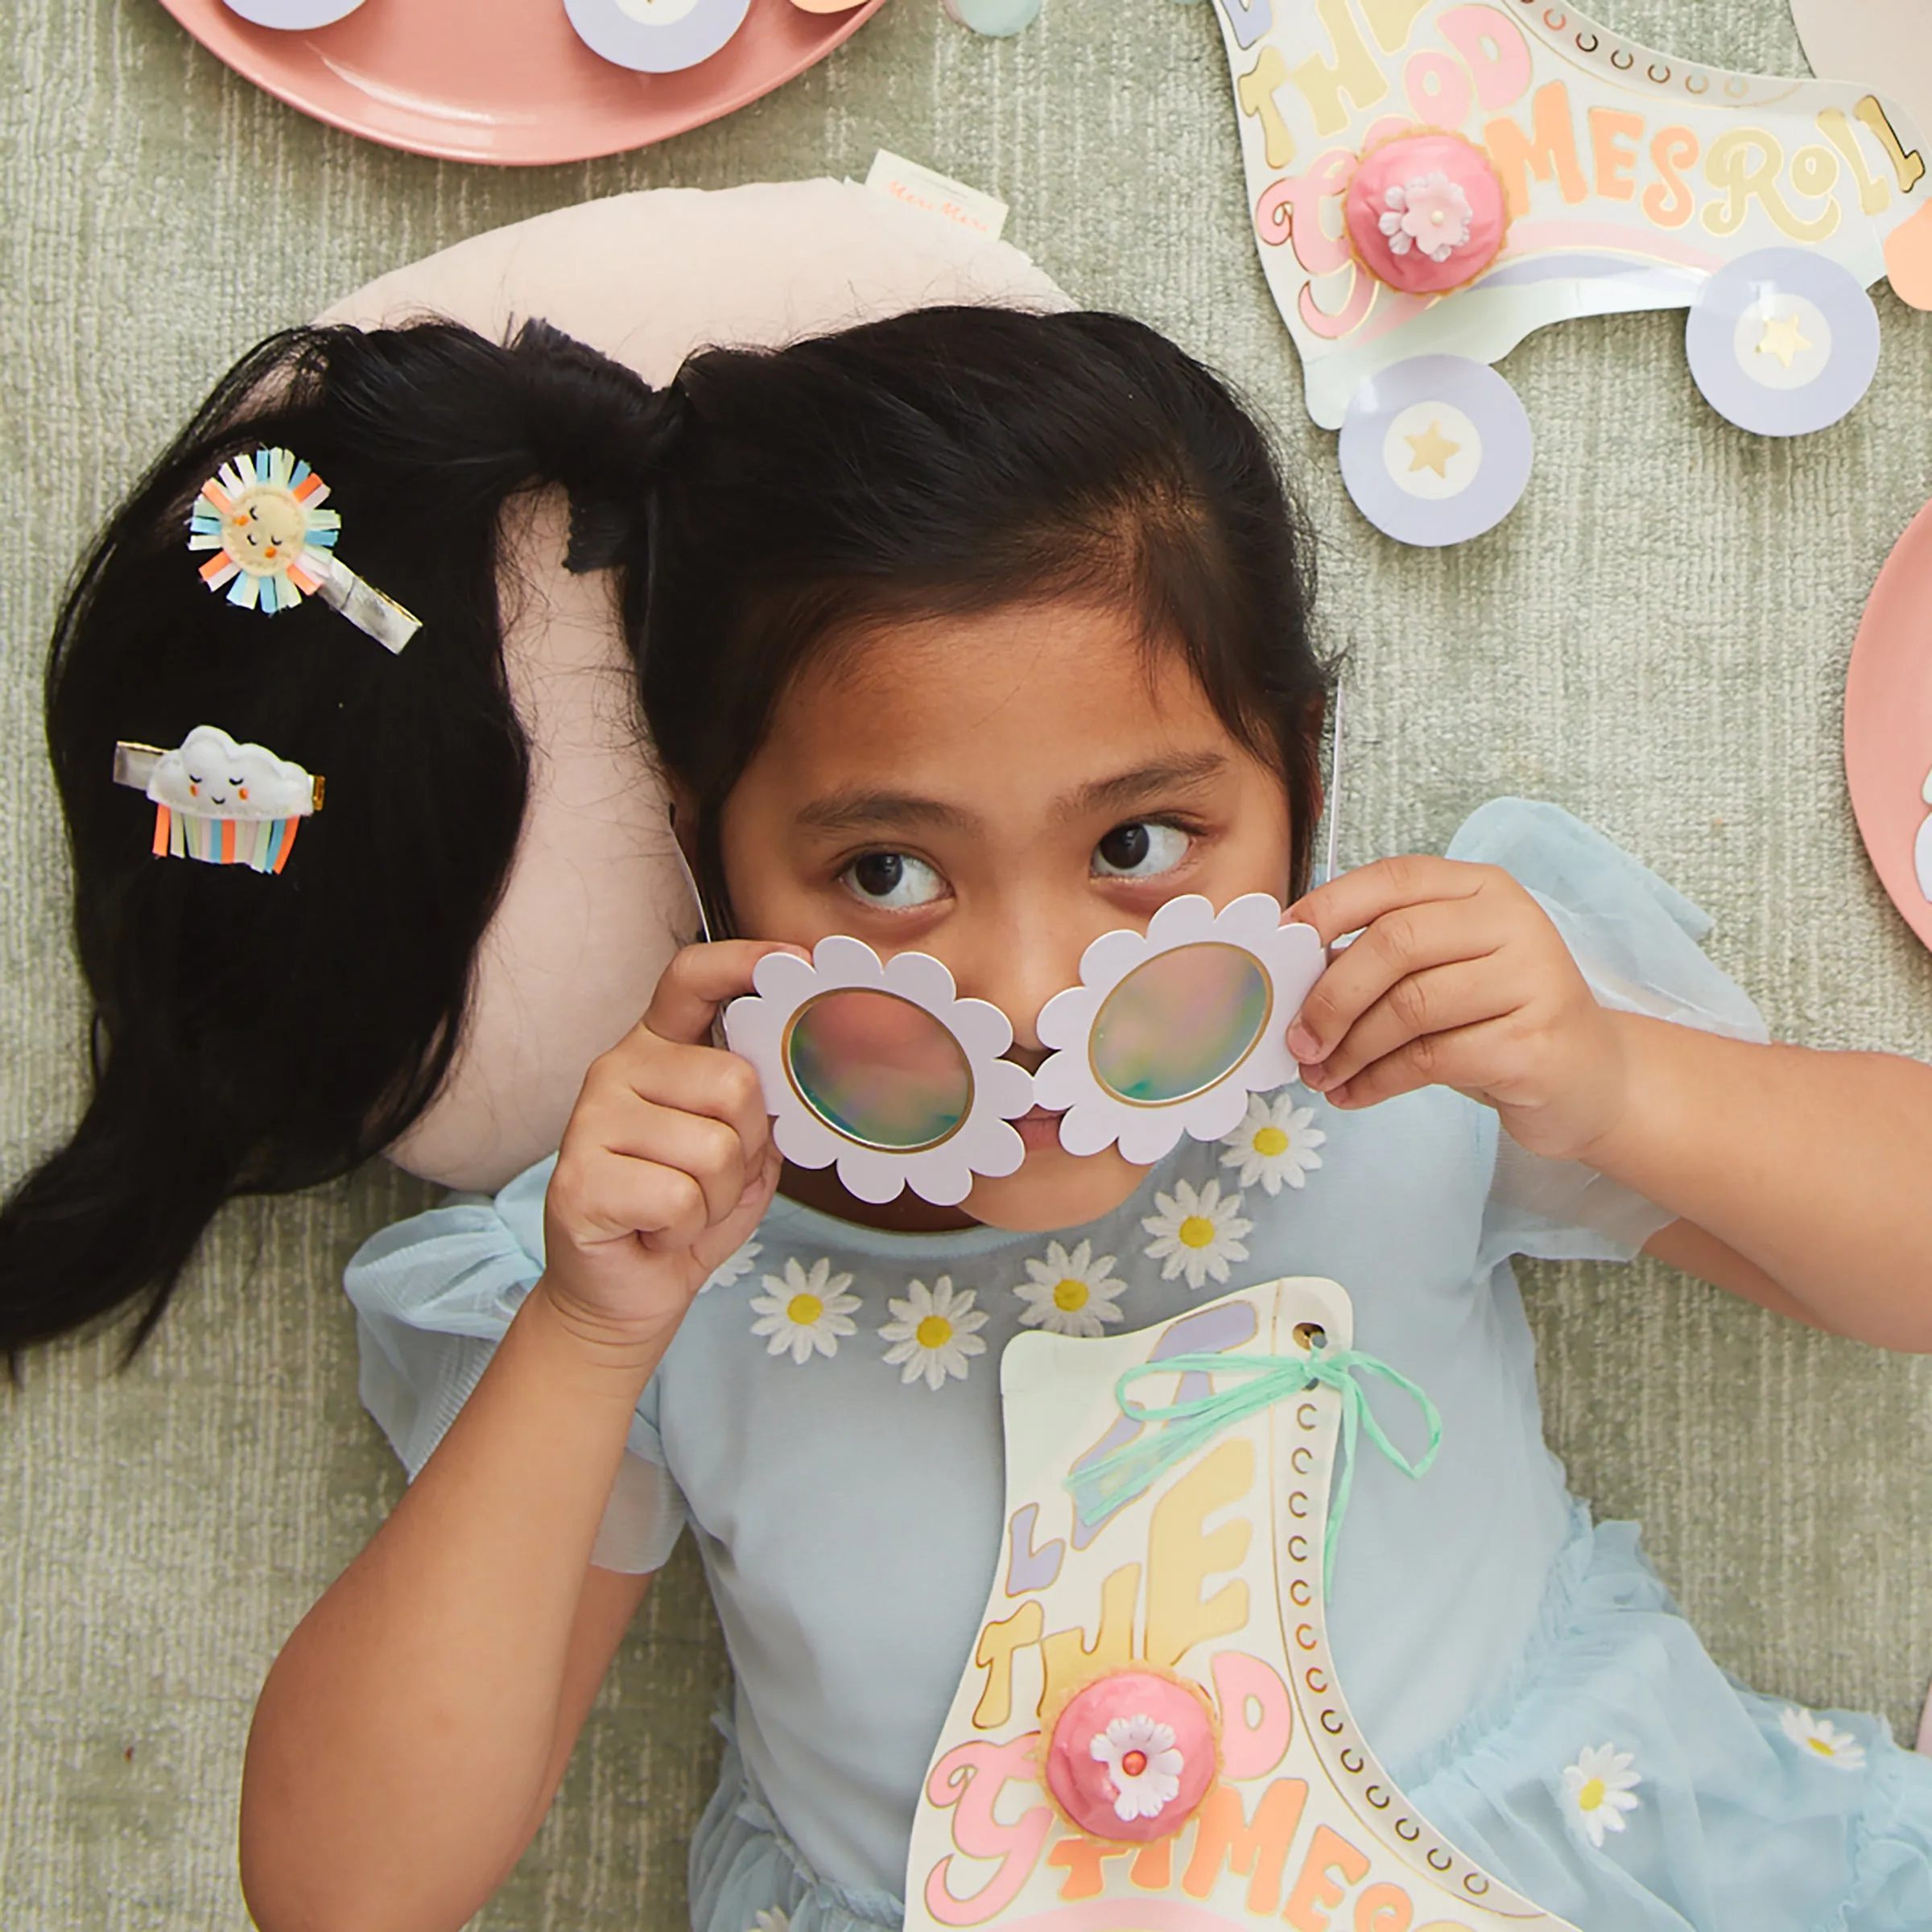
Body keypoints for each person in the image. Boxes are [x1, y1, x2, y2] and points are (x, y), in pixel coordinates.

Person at [6, 308, 1932, 1932]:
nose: (1024, 990)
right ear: (708, 854)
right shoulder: (653, 1268)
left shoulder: (1398, 1062)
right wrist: (589, 1337)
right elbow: (346, 1887)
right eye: (883, 870)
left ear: (1301, 789)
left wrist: (1627, 1078)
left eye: (1138, 845)